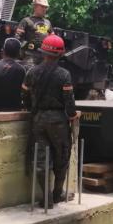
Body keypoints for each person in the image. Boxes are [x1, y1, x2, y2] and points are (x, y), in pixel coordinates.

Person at [22, 34, 80, 208]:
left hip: (38, 119)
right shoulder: (64, 74)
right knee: (62, 154)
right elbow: (69, 102)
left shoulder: (32, 72)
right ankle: (57, 193)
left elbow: (24, 96)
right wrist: (72, 115)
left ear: (42, 52)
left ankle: (46, 198)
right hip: (58, 121)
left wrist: (32, 109)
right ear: (60, 54)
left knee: (41, 159)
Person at [16, 0, 53, 66]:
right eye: (42, 6)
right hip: (30, 55)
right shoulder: (26, 21)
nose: (44, 9)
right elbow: (17, 38)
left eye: (46, 7)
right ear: (35, 6)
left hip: (44, 57)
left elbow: (52, 38)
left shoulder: (48, 22)